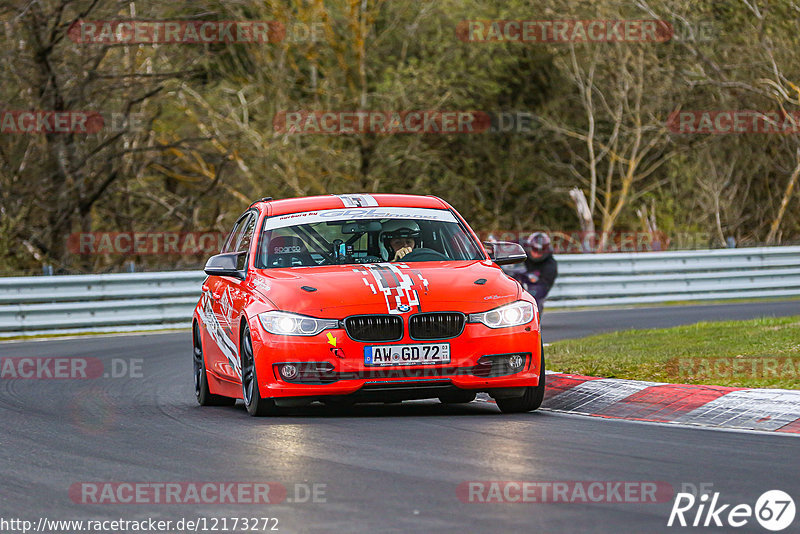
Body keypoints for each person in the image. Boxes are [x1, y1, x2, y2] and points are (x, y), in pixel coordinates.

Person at [516, 232, 558, 312]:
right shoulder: (521, 247)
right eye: (534, 250)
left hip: (538, 284)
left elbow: (545, 284)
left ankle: (533, 315)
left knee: (534, 294)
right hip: (521, 278)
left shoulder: (550, 264)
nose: (536, 254)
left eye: (540, 251)